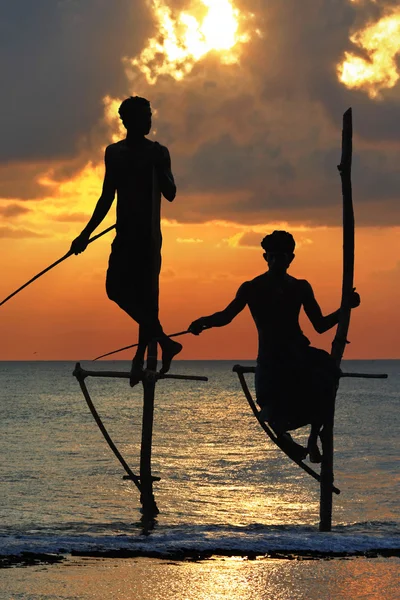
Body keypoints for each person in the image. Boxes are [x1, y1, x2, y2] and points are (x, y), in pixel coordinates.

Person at [189, 230, 360, 462]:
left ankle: (312, 438)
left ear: (291, 258)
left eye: (283, 256)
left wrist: (345, 309)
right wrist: (203, 322)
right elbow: (226, 316)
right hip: (272, 359)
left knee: (328, 376)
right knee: (273, 409)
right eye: (273, 256)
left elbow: (319, 325)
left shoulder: (301, 287)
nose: (278, 261)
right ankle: (286, 436)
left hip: (299, 353)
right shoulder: (251, 287)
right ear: (265, 257)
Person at [71, 96, 182, 385]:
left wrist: (159, 167)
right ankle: (165, 343)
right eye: (144, 116)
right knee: (115, 289)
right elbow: (107, 196)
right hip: (125, 235)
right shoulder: (114, 153)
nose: (149, 121)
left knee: (148, 299)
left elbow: (170, 193)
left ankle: (140, 358)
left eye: (150, 115)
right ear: (127, 120)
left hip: (148, 237)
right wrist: (85, 234)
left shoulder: (160, 152)